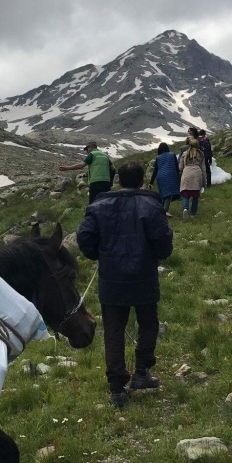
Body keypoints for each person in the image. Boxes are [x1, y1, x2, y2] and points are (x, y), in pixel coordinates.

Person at [76, 161, 173, 407]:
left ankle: (117, 387)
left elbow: (85, 237)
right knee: (148, 324)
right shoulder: (152, 204)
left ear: (118, 180)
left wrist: (99, 255)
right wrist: (157, 255)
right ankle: (141, 372)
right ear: (141, 181)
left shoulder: (99, 205)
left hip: (112, 276)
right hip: (144, 274)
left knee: (114, 331)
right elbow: (163, 239)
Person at [149, 142, 181, 215]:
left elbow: (155, 170)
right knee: (169, 195)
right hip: (171, 175)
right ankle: (164, 211)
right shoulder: (172, 155)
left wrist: (151, 182)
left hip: (160, 177)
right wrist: (178, 176)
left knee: (164, 194)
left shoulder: (158, 158)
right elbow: (177, 166)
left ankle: (160, 210)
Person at [178, 138, 205, 221]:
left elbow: (180, 167)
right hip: (197, 174)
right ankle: (193, 214)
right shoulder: (201, 154)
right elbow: (203, 169)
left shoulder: (185, 154)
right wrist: (204, 181)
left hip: (186, 174)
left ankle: (185, 209)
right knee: (195, 195)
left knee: (185, 194)